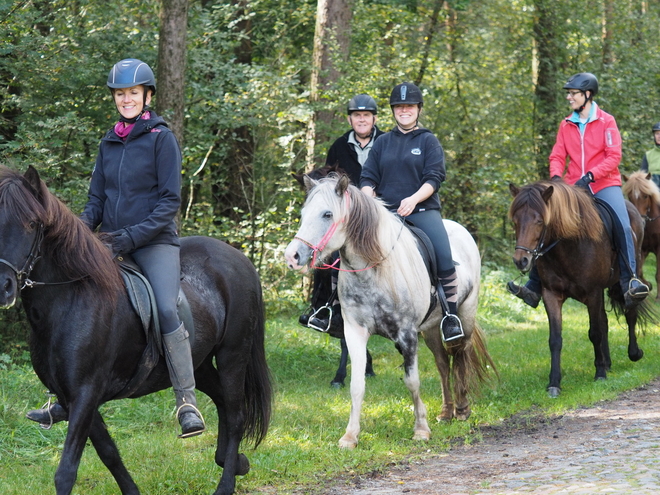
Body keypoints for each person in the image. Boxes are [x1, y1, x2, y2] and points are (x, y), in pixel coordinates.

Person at [26, 58, 205, 438]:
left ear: (147, 95)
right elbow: (94, 202)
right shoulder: (108, 141)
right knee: (73, 298)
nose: (126, 99)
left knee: (165, 306)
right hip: (109, 241)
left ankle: (186, 400)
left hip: (154, 243)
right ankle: (62, 394)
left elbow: (168, 204)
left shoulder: (161, 138)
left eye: (133, 93)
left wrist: (129, 237)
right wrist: (77, 233)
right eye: (120, 94)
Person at [508, 72, 649, 310]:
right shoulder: (566, 124)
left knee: (623, 224)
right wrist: (555, 178)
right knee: (547, 223)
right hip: (573, 187)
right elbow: (557, 155)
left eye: (573, 94)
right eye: (569, 94)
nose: (569, 98)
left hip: (604, 184)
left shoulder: (607, 121)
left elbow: (614, 157)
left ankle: (630, 280)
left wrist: (592, 175)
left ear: (587, 95)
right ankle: (534, 286)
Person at [359, 82, 463, 341]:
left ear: (418, 109)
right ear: (393, 110)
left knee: (443, 255)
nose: (404, 111)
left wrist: (414, 199)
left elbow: (435, 177)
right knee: (350, 248)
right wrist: (368, 200)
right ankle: (333, 309)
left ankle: (451, 316)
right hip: (386, 213)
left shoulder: (428, 140)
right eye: (399, 107)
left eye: (409, 106)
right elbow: (368, 177)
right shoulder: (382, 142)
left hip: (422, 209)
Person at [300, 94, 384, 331]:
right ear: (350, 120)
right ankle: (323, 309)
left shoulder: (386, 142)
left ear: (374, 118)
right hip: (347, 217)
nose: (361, 119)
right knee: (327, 252)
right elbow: (329, 184)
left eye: (366, 115)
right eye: (357, 115)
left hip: (380, 213)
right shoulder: (338, 146)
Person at [640, 122, 660, 188]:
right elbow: (643, 176)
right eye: (657, 133)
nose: (659, 136)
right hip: (653, 190)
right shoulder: (648, 155)